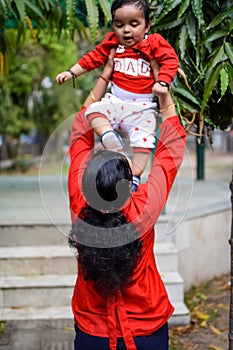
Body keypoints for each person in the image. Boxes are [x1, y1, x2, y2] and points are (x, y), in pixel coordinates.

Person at [67, 55, 186, 350]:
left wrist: (104, 78)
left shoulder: (79, 200)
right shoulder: (144, 205)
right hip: (147, 327)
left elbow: (79, 135)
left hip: (92, 330)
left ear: (89, 178)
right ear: (129, 182)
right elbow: (172, 151)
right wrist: (164, 95)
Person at [57, 0, 179, 191]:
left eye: (134, 24)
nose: (126, 31)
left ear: (147, 25)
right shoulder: (113, 42)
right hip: (116, 101)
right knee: (94, 112)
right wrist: (71, 72)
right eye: (119, 25)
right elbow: (93, 57)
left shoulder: (154, 43)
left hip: (141, 107)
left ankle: (134, 177)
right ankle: (110, 137)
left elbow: (170, 60)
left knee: (144, 143)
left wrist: (163, 82)